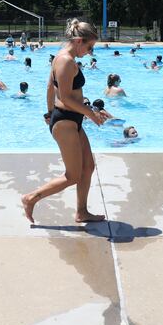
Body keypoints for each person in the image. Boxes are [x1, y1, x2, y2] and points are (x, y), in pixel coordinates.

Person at [20, 18, 105, 224]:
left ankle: (82, 212)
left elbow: (50, 87)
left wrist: (49, 113)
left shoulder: (62, 58)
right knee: (73, 175)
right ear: (78, 41)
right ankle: (31, 198)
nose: (90, 51)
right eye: (89, 46)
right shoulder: (65, 60)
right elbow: (65, 97)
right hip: (66, 121)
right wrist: (91, 114)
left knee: (88, 167)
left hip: (69, 119)